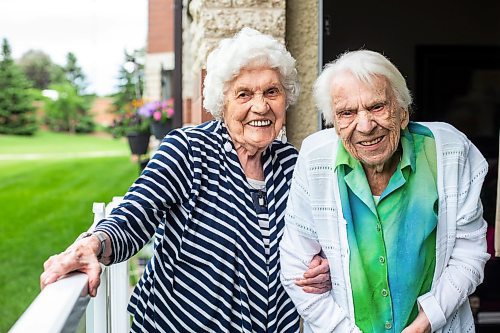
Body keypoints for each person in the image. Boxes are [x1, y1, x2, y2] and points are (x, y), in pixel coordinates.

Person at [40, 27, 331, 332]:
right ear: (223, 103)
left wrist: (321, 265)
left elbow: (317, 237)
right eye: (244, 94)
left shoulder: (292, 163)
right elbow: (137, 211)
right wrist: (95, 244)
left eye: (272, 92)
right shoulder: (189, 149)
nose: (260, 106)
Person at [279, 50, 490, 332]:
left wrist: (425, 323)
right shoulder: (315, 159)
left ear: (403, 113)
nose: (365, 126)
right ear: (334, 124)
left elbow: (470, 251)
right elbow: (296, 267)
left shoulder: (449, 152)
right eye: (347, 113)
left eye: (377, 107)